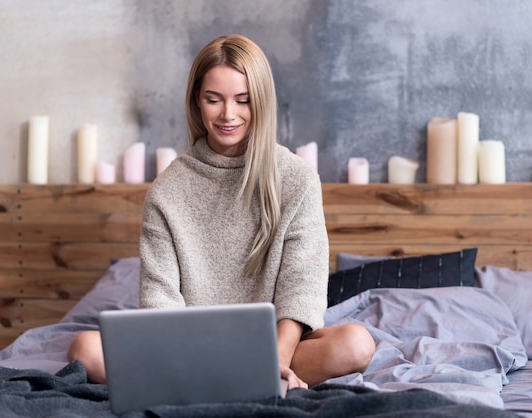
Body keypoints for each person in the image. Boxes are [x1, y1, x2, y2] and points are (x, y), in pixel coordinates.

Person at [68, 34, 375, 389]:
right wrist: (187, 354)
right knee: (85, 349)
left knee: (355, 344)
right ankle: (222, 379)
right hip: (185, 350)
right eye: (214, 100)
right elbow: (159, 298)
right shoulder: (166, 191)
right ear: (197, 101)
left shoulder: (297, 179)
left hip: (278, 347)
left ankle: (207, 382)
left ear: (260, 102)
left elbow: (301, 289)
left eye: (242, 101)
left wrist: (272, 363)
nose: (228, 114)